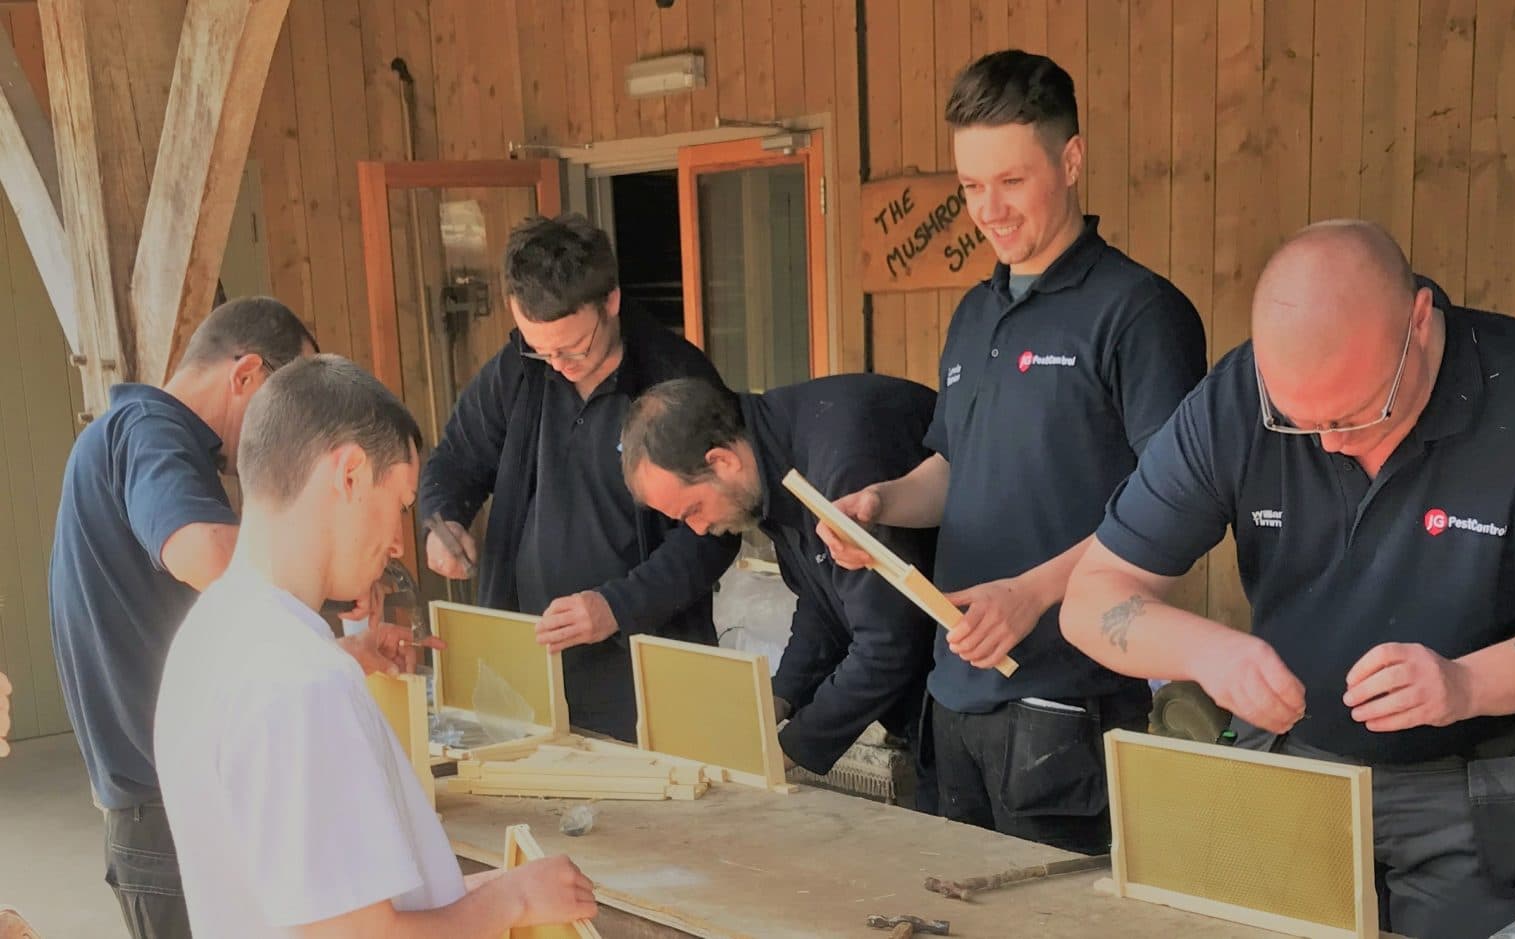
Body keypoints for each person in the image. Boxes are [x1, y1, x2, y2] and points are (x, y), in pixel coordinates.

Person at [1059, 219, 1515, 939]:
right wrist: (1207, 653)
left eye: (1358, 411)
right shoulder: (1236, 400)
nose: (1331, 443)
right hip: (1297, 768)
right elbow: (1093, 597)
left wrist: (1464, 683)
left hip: (1481, 788)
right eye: (1297, 421)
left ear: (1419, 321)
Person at [819, 50, 1208, 855]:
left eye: (1011, 181)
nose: (988, 210)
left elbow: (1178, 512)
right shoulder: (975, 313)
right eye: (970, 186)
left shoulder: (1140, 313)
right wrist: (878, 505)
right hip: (954, 693)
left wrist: (1032, 595)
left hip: (1069, 700)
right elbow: (950, 468)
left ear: (1071, 160)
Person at [152, 354, 597, 937]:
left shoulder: (207, 635)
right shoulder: (305, 682)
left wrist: (472, 892)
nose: (397, 544)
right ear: (351, 474)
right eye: (402, 504)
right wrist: (510, 900)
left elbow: (316, 911)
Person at [47, 297, 317, 939]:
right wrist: (326, 574)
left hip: (157, 810)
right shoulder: (151, 429)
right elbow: (207, 555)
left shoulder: (135, 434)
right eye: (286, 408)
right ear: (245, 374)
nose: (286, 438)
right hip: (165, 815)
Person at [419, 213, 739, 742]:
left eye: (574, 347)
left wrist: (618, 606)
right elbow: (456, 458)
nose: (558, 364)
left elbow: (714, 534)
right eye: (540, 348)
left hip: (642, 671)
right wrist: (442, 520)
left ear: (610, 301)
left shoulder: (676, 381)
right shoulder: (519, 368)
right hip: (528, 663)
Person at [619, 375, 939, 790]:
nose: (698, 529)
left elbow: (889, 641)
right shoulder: (768, 457)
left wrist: (782, 752)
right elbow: (823, 600)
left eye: (693, 509)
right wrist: (779, 698)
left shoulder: (842, 465)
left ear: (722, 461)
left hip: (986, 687)